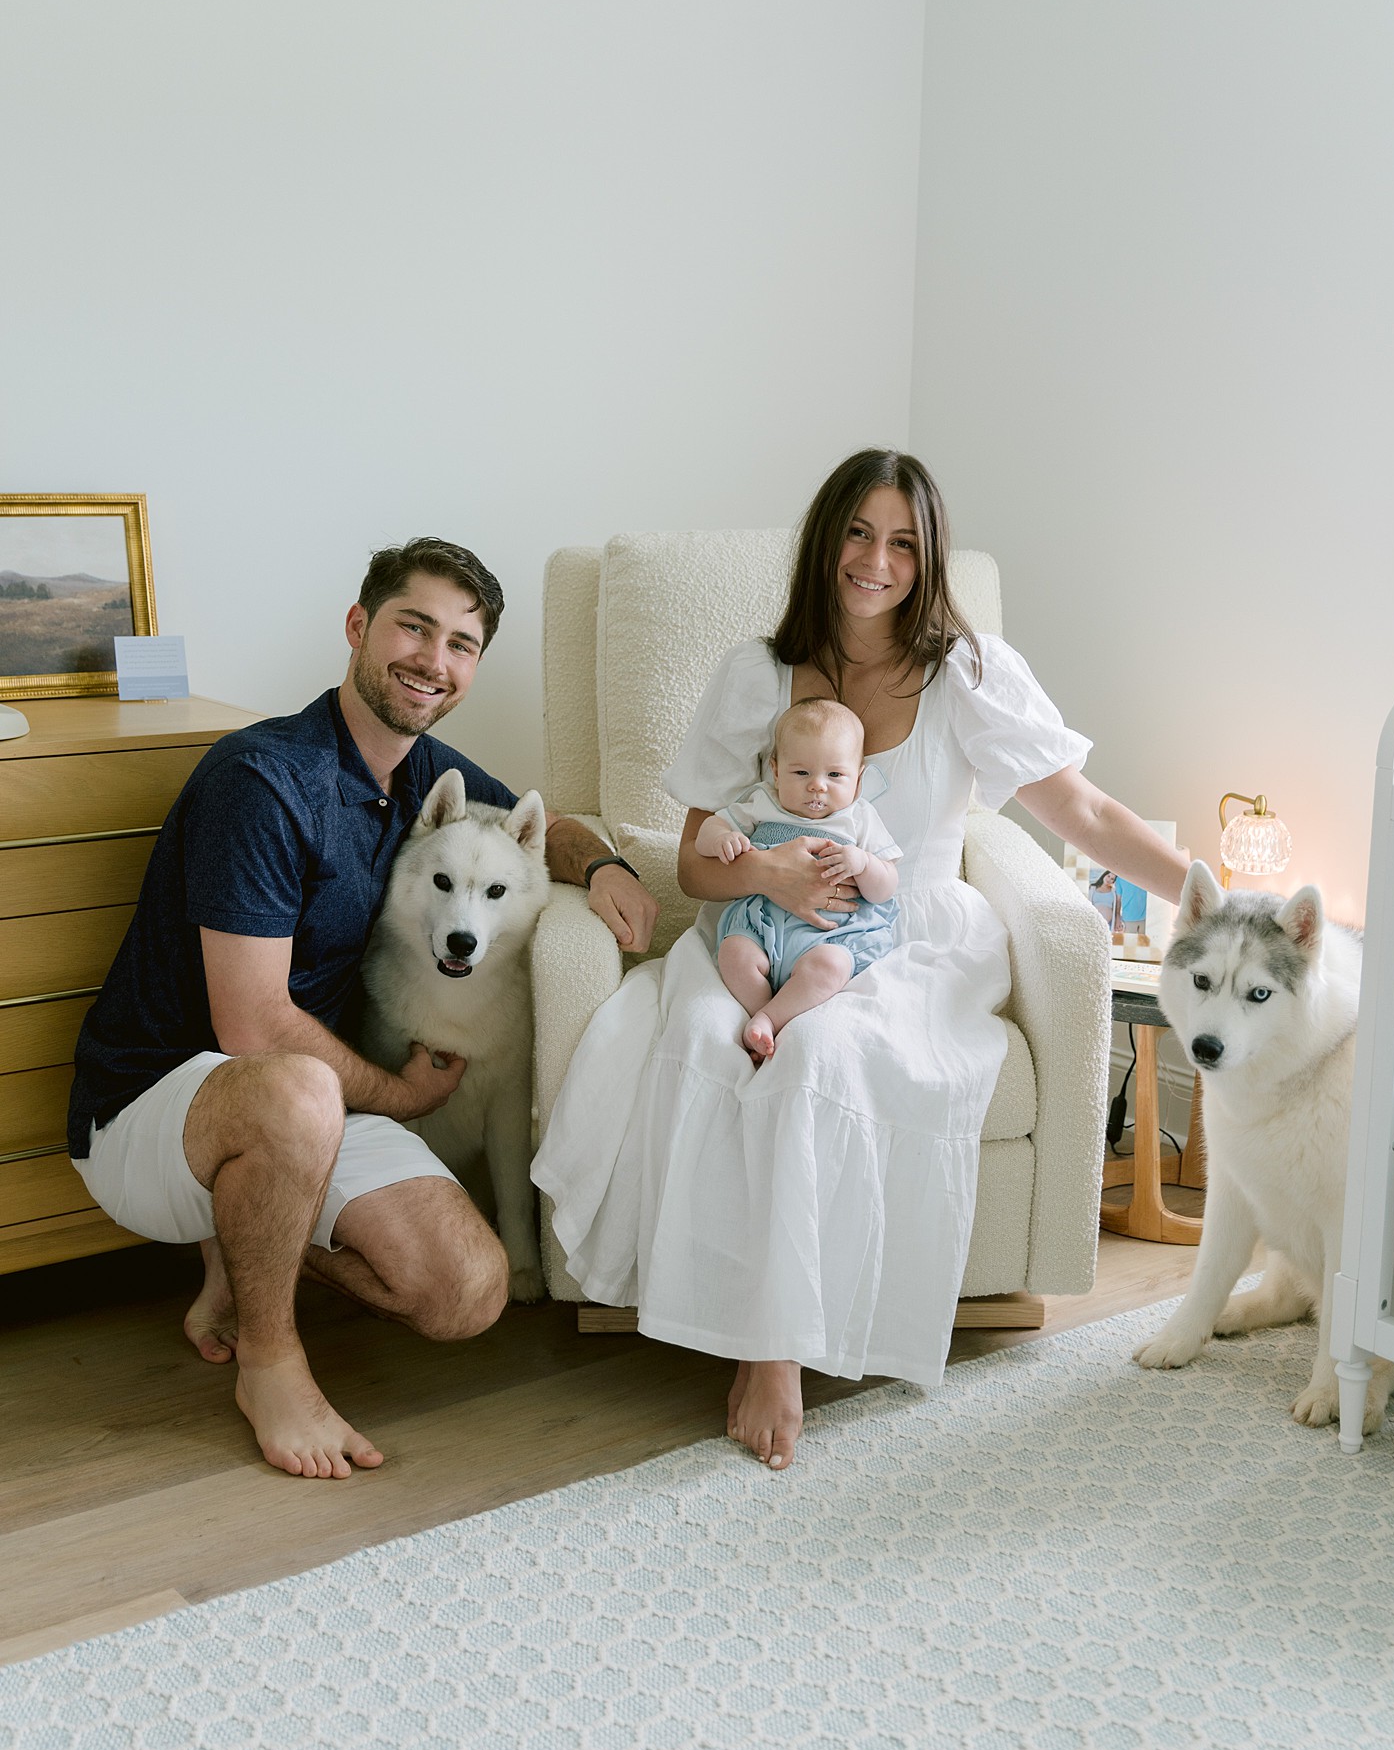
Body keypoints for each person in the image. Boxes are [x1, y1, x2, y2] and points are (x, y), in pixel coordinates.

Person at [532, 450, 1186, 1471]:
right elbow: (703, 868)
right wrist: (771, 877)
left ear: (927, 561)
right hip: (765, 921)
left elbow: (1088, 811)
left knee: (815, 1059)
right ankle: (704, 1302)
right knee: (707, 1033)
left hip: (909, 934)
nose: (876, 560)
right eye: (857, 533)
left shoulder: (969, 672)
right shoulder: (758, 672)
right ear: (825, 539)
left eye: (904, 542)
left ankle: (775, 1347)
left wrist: (1206, 887)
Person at [68, 536, 658, 1481]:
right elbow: (251, 1029)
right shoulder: (261, 782)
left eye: (460, 644)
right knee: (295, 1084)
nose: (434, 660)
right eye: (413, 627)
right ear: (358, 627)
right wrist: (399, 1094)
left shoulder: (426, 778)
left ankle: (245, 1237)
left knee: (472, 1291)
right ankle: (272, 1364)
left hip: (304, 1110)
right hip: (155, 1102)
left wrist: (604, 865)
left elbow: (531, 829)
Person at [699, 697, 901, 1061]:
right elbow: (706, 830)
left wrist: (863, 863)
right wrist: (721, 838)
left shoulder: (859, 817)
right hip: (762, 928)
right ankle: (764, 1013)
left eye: (835, 775)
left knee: (832, 967)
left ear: (858, 776)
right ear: (776, 771)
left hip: (829, 935)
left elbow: (887, 885)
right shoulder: (763, 802)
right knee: (734, 955)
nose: (817, 787)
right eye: (801, 773)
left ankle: (770, 1019)